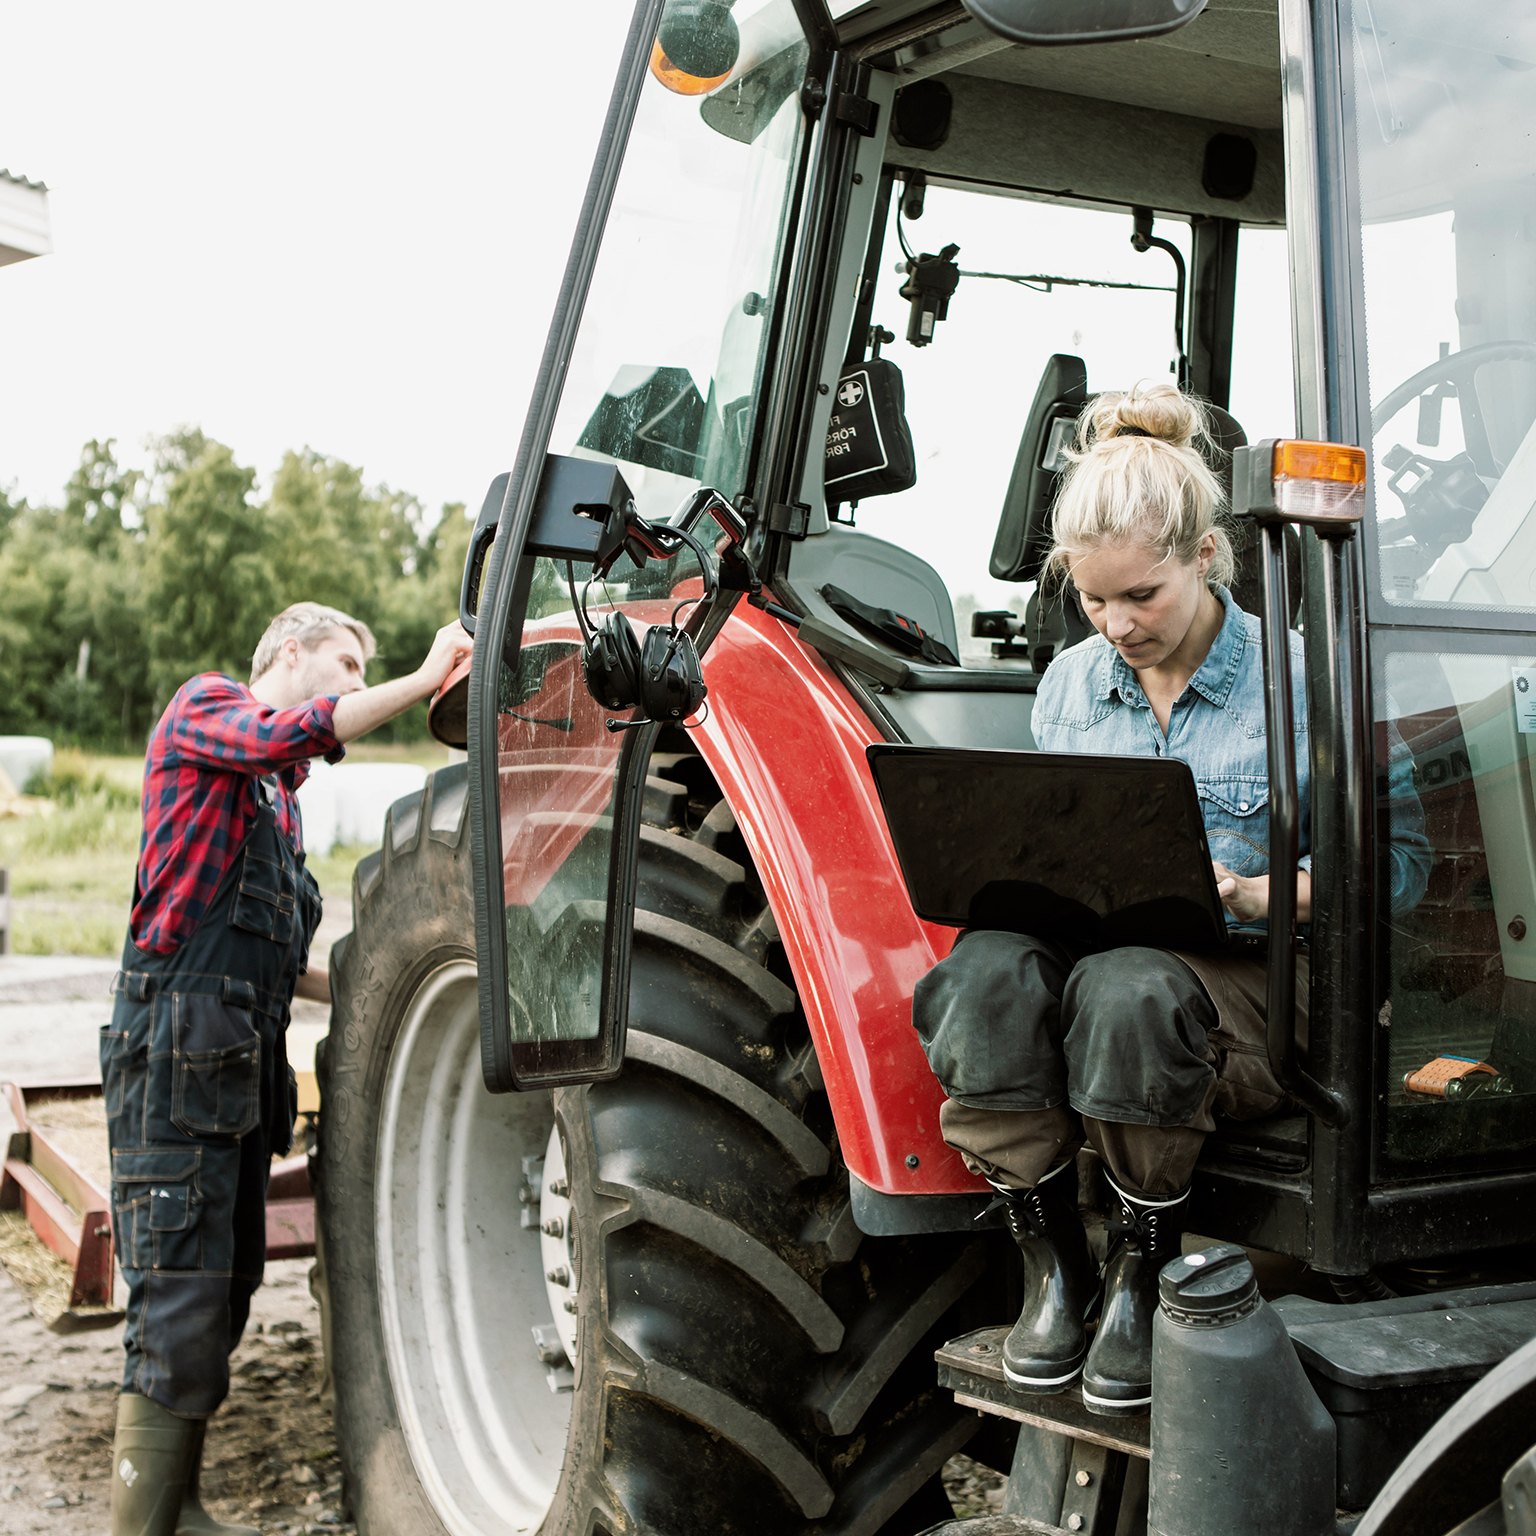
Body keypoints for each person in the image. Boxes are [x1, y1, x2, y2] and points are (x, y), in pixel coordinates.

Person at [911, 384, 1430, 1417]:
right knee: (982, 976)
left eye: (1141, 596)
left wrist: (1259, 889)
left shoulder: (1305, 684)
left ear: (1204, 557)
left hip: (1253, 982)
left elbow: (1399, 871)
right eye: (1095, 602)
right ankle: (1054, 1259)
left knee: (1127, 988)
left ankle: (1141, 1266)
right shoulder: (1068, 681)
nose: (1117, 625)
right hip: (1106, 958)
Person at [103, 602, 472, 1536]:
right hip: (174, 1061)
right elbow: (293, 730)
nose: (352, 680)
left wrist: (376, 982)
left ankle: (178, 1505)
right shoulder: (207, 713)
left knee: (224, 1291)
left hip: (229, 1070)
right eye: (345, 662)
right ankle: (140, 1523)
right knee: (177, 1297)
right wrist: (427, 679)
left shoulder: (278, 805)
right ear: (292, 650)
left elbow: (273, 958)